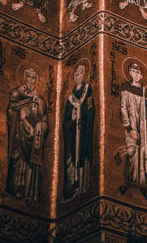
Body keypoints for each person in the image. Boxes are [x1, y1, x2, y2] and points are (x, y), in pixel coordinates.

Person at [4, 68, 48, 205]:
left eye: (33, 78)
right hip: (19, 135)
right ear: (24, 77)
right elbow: (11, 110)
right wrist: (19, 115)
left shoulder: (40, 101)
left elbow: (45, 121)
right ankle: (15, 189)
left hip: (33, 138)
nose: (30, 80)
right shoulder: (17, 94)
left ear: (37, 81)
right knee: (17, 159)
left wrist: (40, 127)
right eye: (28, 77)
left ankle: (30, 194)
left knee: (31, 165)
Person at [119, 61, 147, 201]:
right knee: (132, 153)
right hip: (133, 127)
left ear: (142, 75)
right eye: (133, 71)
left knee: (145, 155)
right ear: (129, 72)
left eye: (138, 72)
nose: (135, 74)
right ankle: (129, 183)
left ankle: (144, 185)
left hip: (146, 130)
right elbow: (123, 108)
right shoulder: (125, 88)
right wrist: (129, 128)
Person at [62, 63, 95, 201]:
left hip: (84, 131)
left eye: (81, 73)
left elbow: (91, 108)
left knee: (82, 155)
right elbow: (65, 119)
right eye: (76, 74)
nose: (79, 76)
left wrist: (83, 115)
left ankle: (82, 186)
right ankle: (72, 186)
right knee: (70, 157)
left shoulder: (88, 90)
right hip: (72, 133)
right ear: (74, 77)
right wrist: (72, 118)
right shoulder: (70, 97)